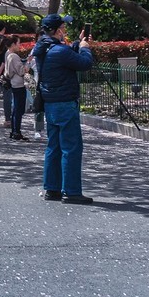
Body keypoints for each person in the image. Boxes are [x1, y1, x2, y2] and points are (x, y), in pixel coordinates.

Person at [33, 14, 95, 204]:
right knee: (71, 147)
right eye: (63, 28)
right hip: (65, 103)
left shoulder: (43, 48)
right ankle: (71, 191)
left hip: (50, 102)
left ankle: (52, 189)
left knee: (54, 146)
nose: (65, 31)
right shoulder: (59, 50)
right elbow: (84, 64)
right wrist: (85, 49)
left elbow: (66, 57)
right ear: (56, 30)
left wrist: (77, 43)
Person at [3, 35, 28, 140]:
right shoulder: (14, 56)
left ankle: (14, 130)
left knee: (16, 108)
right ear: (13, 44)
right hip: (18, 84)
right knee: (18, 108)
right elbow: (21, 71)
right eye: (18, 43)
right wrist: (28, 65)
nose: (19, 45)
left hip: (14, 83)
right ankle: (16, 131)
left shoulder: (8, 55)